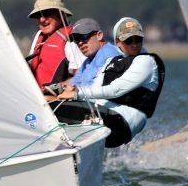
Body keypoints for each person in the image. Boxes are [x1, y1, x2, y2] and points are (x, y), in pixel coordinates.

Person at [58, 17, 165, 147]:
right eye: (128, 40)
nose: (134, 44)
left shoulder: (146, 61)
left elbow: (115, 90)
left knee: (53, 110)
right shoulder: (111, 63)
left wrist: (76, 94)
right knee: (50, 106)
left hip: (124, 122)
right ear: (117, 42)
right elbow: (95, 91)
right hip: (105, 116)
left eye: (138, 39)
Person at [26, 0, 83, 90]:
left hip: (61, 102)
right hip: (37, 100)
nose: (42, 19)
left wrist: (57, 88)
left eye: (46, 13)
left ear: (61, 14)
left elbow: (82, 77)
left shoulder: (72, 38)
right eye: (38, 15)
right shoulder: (39, 36)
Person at [65, 17, 121, 89]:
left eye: (84, 37)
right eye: (76, 39)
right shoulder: (87, 61)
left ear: (99, 35)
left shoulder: (108, 54)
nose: (80, 42)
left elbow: (94, 87)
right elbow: (73, 84)